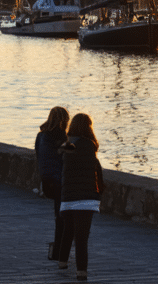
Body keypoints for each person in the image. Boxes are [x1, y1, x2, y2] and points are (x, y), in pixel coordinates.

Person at [56, 112, 103, 281]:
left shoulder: (67, 145)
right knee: (82, 237)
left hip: (68, 197)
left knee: (68, 230)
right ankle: (81, 272)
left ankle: (62, 262)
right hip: (86, 197)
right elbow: (96, 171)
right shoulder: (90, 146)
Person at [35, 106, 70, 263]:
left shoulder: (41, 136)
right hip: (59, 181)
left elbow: (39, 156)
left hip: (46, 181)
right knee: (63, 216)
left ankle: (57, 250)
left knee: (59, 215)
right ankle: (59, 252)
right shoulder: (63, 138)